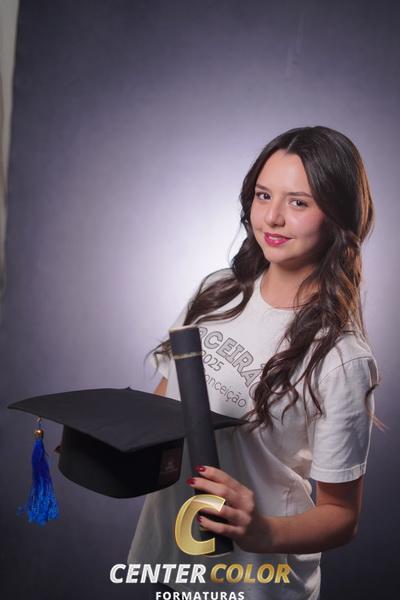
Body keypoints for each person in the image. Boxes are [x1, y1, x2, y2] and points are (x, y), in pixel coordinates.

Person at [128, 126, 384, 600]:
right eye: (264, 195)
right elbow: (163, 409)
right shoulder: (217, 292)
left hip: (257, 584)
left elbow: (342, 516)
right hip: (173, 563)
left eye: (299, 202)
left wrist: (262, 530)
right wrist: (113, 443)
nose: (273, 217)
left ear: (338, 216)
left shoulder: (340, 356)